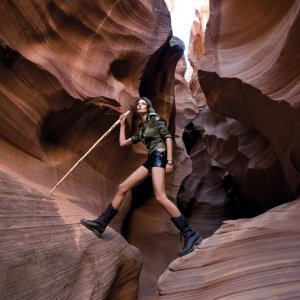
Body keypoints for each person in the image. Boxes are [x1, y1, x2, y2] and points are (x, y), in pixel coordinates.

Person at [80, 97, 202, 256]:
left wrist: (170, 161)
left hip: (159, 156)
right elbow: (123, 143)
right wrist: (122, 123)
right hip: (151, 160)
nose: (140, 105)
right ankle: (101, 224)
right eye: (138, 104)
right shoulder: (143, 128)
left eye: (143, 103)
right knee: (122, 187)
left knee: (160, 196)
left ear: (148, 107)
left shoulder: (154, 119)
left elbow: (167, 138)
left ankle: (191, 235)